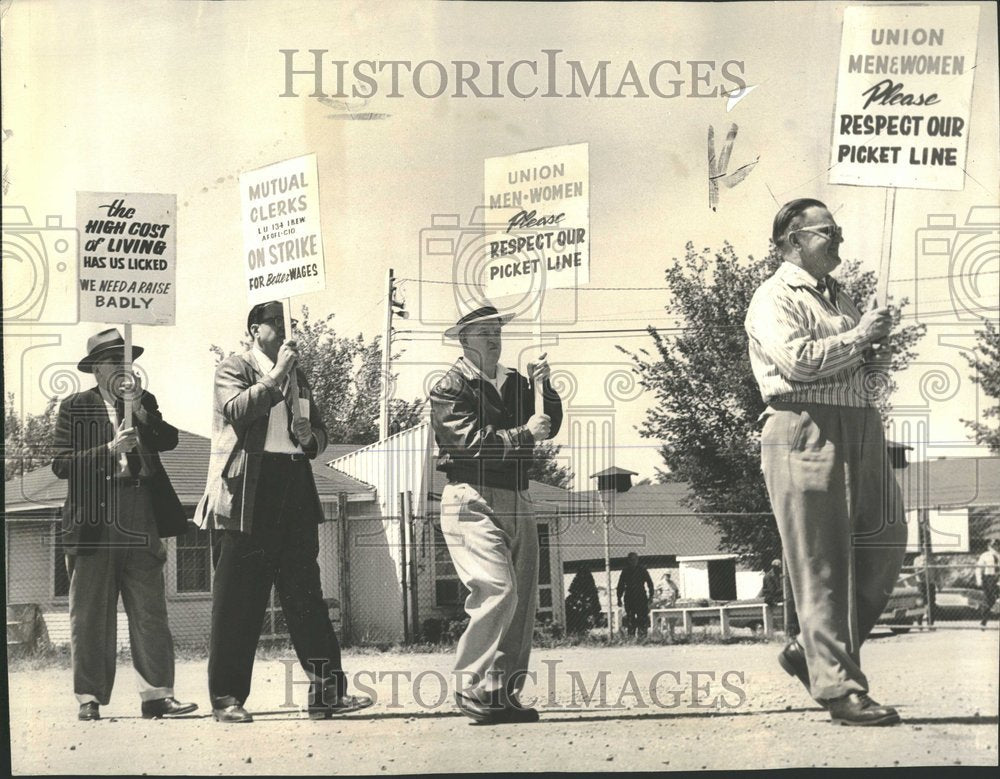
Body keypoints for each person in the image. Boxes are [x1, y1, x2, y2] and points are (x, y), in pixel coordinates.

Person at [745, 198, 908, 726]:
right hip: (803, 426)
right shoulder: (773, 297)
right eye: (827, 232)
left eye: (837, 231)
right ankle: (840, 689)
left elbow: (859, 365)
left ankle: (807, 651)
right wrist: (860, 337)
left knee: (885, 543)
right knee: (821, 563)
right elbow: (797, 362)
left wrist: (876, 348)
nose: (838, 240)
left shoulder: (840, 298)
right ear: (793, 241)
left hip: (859, 423)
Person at [196, 301, 372, 723]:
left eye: (286, 322)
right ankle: (226, 698)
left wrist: (312, 438)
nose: (283, 329)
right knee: (239, 600)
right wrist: (276, 376)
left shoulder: (300, 377)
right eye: (275, 323)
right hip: (249, 491)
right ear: (255, 330)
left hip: (293, 482)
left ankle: (327, 692)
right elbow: (237, 410)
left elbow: (321, 434)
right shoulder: (232, 368)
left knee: (305, 594)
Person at [52, 328, 197, 722]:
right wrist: (109, 450)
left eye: (128, 360)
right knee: (90, 612)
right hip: (94, 515)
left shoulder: (142, 400)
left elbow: (169, 440)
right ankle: (89, 697)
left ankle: (157, 696)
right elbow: (62, 463)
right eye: (116, 360)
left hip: (140, 507)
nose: (124, 368)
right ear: (97, 368)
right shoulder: (74, 407)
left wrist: (142, 411)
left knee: (149, 608)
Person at [429, 304, 562, 725]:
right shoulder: (449, 386)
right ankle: (469, 683)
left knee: (519, 600)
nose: (492, 336)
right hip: (472, 497)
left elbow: (550, 422)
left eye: (496, 329)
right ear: (463, 339)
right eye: (482, 331)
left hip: (518, 496)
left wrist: (546, 386)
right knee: (497, 589)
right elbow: (471, 444)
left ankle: (499, 693)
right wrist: (525, 433)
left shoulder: (515, 382)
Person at [617, 552, 655, 638]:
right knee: (630, 618)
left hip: (640, 596)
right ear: (628, 561)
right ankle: (631, 637)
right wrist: (619, 598)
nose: (633, 561)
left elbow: (650, 583)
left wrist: (651, 596)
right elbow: (620, 585)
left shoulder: (642, 570)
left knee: (642, 617)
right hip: (629, 596)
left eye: (635, 559)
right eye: (631, 560)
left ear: (637, 560)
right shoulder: (625, 571)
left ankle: (642, 637)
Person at [974, 538, 1000, 627]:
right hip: (990, 578)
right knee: (989, 600)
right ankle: (984, 620)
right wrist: (979, 579)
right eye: (992, 545)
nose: (995, 547)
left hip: (999, 577)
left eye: (996, 545)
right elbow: (978, 568)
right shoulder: (985, 555)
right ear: (988, 546)